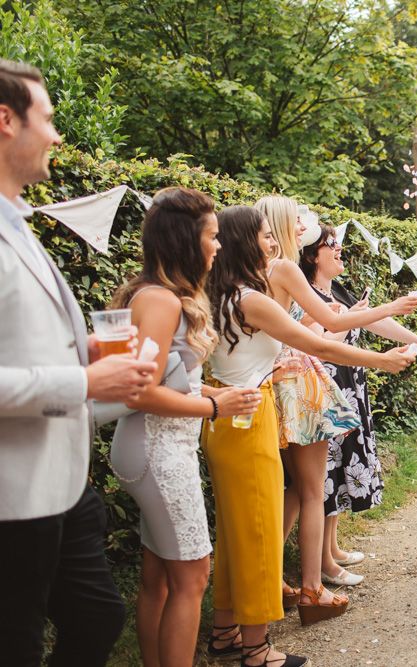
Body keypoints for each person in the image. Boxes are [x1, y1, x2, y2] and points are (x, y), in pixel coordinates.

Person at [203, 205, 414, 663]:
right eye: (264, 235)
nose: (274, 241)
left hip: (223, 414)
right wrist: (383, 360)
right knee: (258, 531)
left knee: (235, 533)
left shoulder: (218, 293)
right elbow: (318, 342)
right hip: (249, 414)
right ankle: (257, 649)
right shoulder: (253, 299)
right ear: (246, 243)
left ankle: (224, 631)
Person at [0, 58, 158, 666]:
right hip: (13, 497)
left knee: (96, 616)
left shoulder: (19, 222)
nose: (58, 136)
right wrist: (86, 379)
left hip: (65, 486)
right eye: (49, 119)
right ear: (6, 121)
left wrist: (82, 348)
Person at [110, 187, 260, 666]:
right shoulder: (160, 301)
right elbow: (139, 391)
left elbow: (171, 382)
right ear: (184, 240)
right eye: (212, 236)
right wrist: (215, 409)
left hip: (150, 448)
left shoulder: (151, 293)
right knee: (194, 576)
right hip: (158, 452)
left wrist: (217, 395)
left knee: (158, 575)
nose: (217, 246)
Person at [255, 195, 417, 621]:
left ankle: (271, 577)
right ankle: (312, 590)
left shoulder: (254, 272)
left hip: (267, 385)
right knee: (311, 492)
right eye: (295, 221)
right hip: (297, 384)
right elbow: (328, 328)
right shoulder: (285, 268)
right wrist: (391, 308)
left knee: (290, 489)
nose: (301, 228)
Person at [299, 223, 417, 587]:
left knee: (341, 471)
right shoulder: (307, 293)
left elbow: (377, 321)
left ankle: (332, 546)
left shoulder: (337, 289)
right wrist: (349, 320)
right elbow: (321, 341)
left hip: (351, 387)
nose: (340, 248)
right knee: (325, 478)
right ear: (314, 254)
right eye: (332, 244)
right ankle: (324, 563)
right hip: (326, 391)